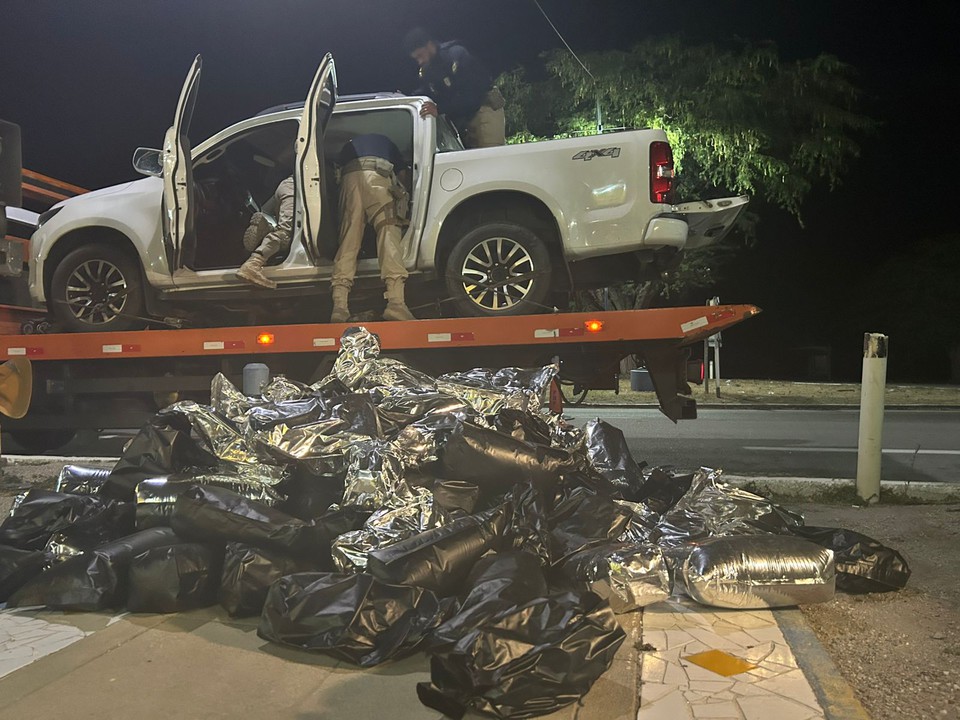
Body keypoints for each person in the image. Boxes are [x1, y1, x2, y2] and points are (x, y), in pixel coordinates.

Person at [330, 133, 414, 323]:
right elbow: (402, 175)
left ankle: (339, 307)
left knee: (349, 241)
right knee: (388, 235)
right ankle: (396, 303)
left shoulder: (347, 147)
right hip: (378, 176)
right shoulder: (388, 143)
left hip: (349, 179)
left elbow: (336, 176)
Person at [403, 28, 505, 149]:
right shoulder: (429, 70)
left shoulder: (456, 55)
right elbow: (428, 91)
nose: (420, 61)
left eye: (420, 55)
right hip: (464, 119)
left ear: (429, 45)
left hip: (483, 109)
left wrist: (438, 109)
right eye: (416, 58)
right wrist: (406, 98)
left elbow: (472, 95)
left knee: (489, 155)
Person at [237, 175, 294, 289]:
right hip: (297, 187)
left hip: (286, 186)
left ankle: (266, 229)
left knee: (282, 229)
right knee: (285, 233)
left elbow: (266, 211)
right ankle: (253, 264)